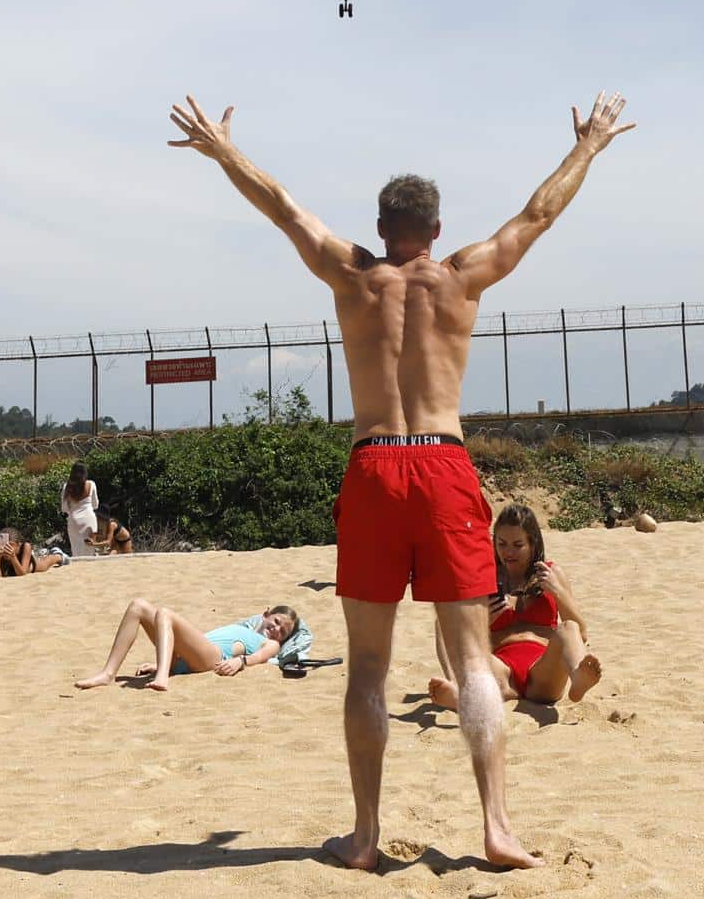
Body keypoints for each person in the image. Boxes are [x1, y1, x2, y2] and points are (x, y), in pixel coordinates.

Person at [166, 88, 634, 871]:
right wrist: (588, 145)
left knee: (370, 667)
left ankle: (364, 834)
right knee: (472, 656)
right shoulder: (459, 277)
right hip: (444, 462)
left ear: (382, 228)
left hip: (376, 463)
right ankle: (497, 827)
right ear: (437, 230)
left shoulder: (355, 276)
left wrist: (222, 151)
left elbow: (283, 209)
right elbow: (535, 216)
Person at [428, 505, 601, 709]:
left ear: (532, 544)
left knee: (568, 628)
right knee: (443, 623)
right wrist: (484, 622)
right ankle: (459, 689)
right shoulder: (484, 579)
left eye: (517, 545)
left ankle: (577, 680)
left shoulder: (552, 573)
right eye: (501, 544)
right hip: (501, 668)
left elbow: (581, 633)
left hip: (543, 669)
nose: (508, 552)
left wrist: (558, 592)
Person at [75, 601, 311, 692]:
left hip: (211, 657)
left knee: (166, 613)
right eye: (277, 622)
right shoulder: (247, 627)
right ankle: (108, 673)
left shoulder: (269, 643)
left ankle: (162, 677)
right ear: (266, 614)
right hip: (188, 654)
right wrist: (161, 662)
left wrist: (240, 662)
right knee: (138, 606)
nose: (277, 630)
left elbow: (261, 657)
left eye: (284, 632)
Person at [0, 527, 70, 575]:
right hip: (12, 568)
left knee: (46, 563)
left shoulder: (26, 546)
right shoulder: (0, 551)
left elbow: (22, 573)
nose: (7, 547)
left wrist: (13, 557)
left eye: (11, 544)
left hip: (32, 566)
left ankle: (58, 554)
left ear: (19, 544)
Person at [61, 463, 99, 557]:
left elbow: (64, 508)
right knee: (89, 549)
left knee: (76, 550)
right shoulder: (91, 484)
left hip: (73, 521)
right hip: (89, 520)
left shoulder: (67, 487)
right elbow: (95, 505)